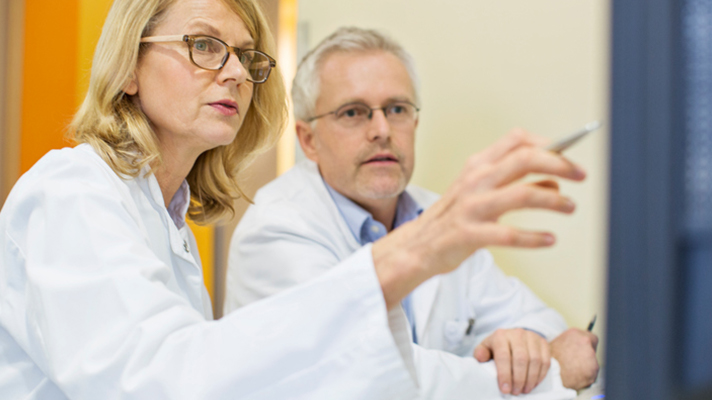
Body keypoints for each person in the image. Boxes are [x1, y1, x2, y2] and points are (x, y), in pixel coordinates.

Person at [0, 0, 586, 398]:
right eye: (205, 46)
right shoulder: (72, 190)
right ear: (128, 66)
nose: (233, 73)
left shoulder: (170, 221)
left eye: (244, 55)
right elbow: (155, 384)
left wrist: (540, 350)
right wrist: (406, 259)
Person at [225, 27, 600, 397]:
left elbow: (540, 322)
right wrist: (551, 374)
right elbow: (368, 381)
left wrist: (525, 345)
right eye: (353, 112)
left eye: (397, 109)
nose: (383, 129)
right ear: (308, 140)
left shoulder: (437, 213)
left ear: (415, 123)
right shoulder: (276, 231)